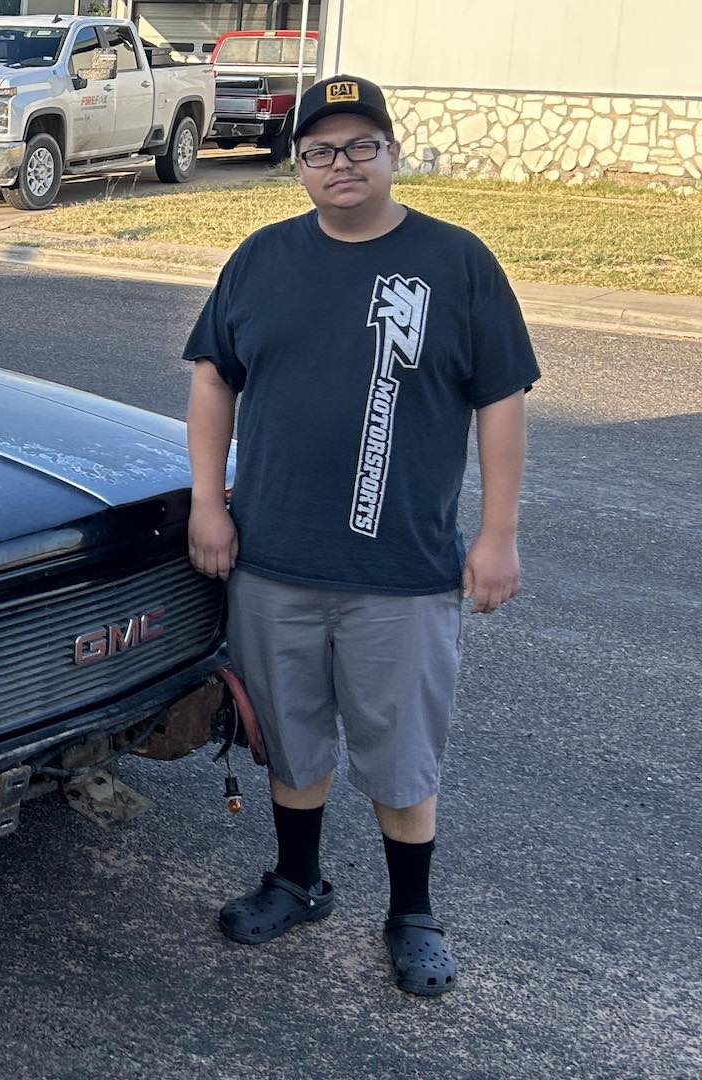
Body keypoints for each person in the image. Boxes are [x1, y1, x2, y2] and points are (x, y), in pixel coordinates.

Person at [182, 74, 540, 997]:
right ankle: (297, 882)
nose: (340, 164)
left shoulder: (456, 263)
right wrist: (208, 504)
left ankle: (411, 914)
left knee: (399, 755)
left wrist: (497, 536)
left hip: (403, 572)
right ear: (296, 165)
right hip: (273, 561)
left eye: (359, 147)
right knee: (293, 743)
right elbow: (213, 379)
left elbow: (500, 404)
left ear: (390, 153)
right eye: (319, 151)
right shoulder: (260, 261)